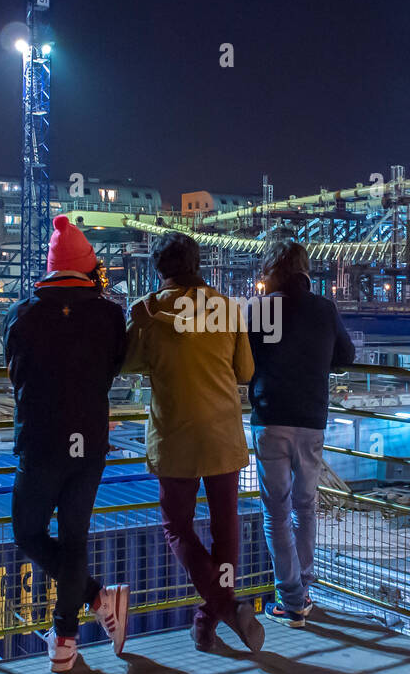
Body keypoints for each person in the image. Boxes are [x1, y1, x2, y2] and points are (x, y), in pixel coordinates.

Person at [123, 232, 263, 652]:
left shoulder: (151, 311)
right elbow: (245, 373)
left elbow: (126, 364)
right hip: (223, 435)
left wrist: (136, 322)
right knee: (226, 529)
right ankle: (209, 620)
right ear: (198, 264)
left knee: (177, 526)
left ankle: (218, 607)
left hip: (175, 437)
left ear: (157, 269)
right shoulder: (226, 308)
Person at [4, 215, 130, 672]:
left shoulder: (20, 313)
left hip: (38, 442)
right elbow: (115, 365)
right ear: (88, 267)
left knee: (28, 532)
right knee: (74, 538)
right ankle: (66, 641)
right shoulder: (111, 314)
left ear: (51, 267)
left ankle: (98, 598)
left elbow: (14, 372)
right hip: (90, 441)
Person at [246, 240, 355, 627]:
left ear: (272, 271)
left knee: (276, 510)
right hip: (311, 419)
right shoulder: (324, 309)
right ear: (304, 270)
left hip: (270, 416)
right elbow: (346, 356)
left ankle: (290, 597)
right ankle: (303, 591)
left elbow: (242, 361)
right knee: (304, 506)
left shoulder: (260, 310)